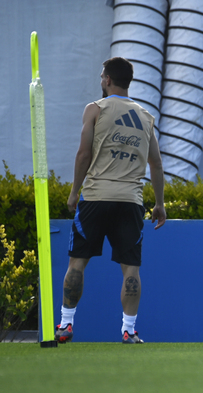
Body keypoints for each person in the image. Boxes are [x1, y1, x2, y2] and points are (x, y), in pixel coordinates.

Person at [54, 57, 166, 344]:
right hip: (130, 201)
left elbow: (83, 154)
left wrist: (73, 191)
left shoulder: (95, 108)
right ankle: (129, 330)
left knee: (77, 263)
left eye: (102, 76)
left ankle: (66, 324)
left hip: (95, 197)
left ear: (106, 79)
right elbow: (156, 164)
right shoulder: (145, 116)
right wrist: (159, 203)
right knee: (131, 269)